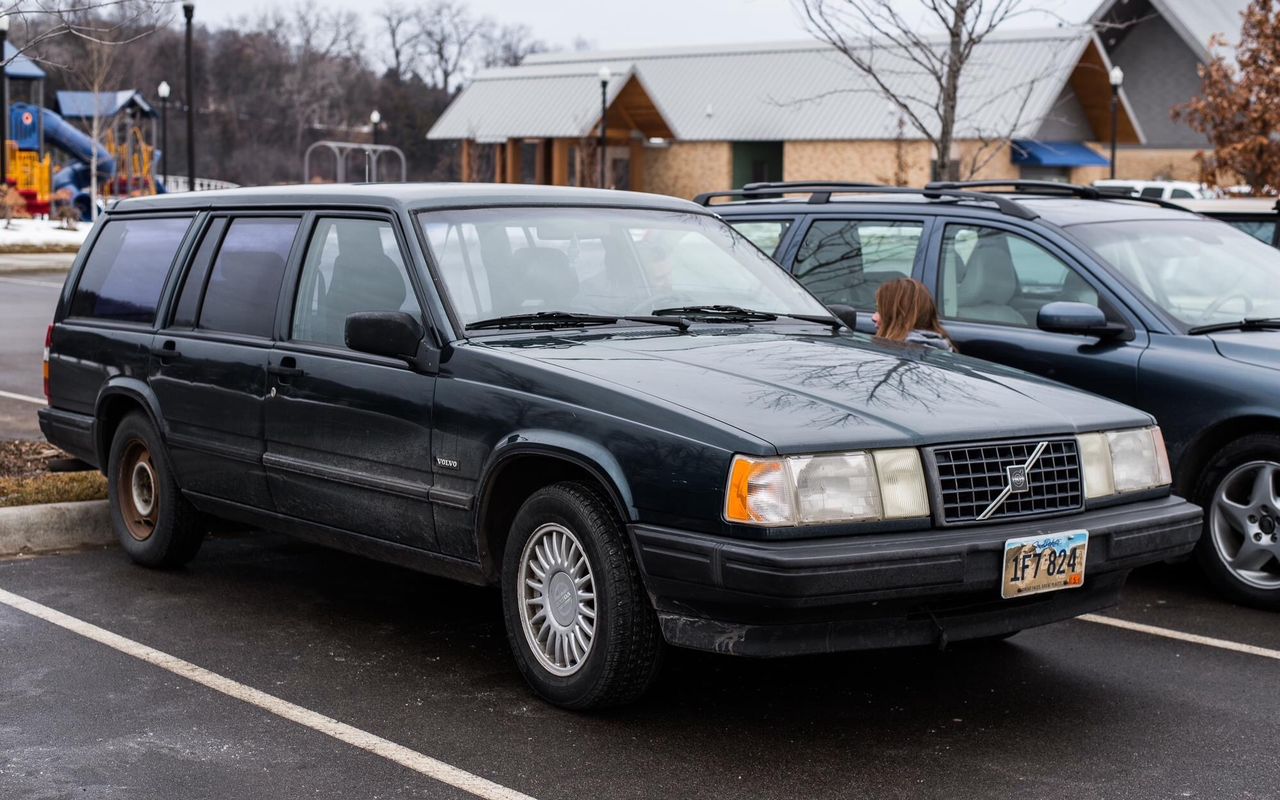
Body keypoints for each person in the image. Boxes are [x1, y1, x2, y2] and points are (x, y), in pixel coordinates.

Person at [872, 277, 956, 352]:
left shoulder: (903, 357)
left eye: (880, 310)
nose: (873, 317)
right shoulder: (942, 349)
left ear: (901, 316)